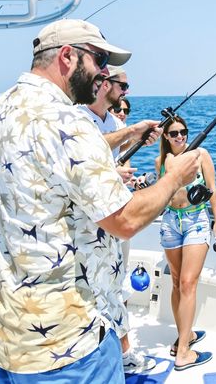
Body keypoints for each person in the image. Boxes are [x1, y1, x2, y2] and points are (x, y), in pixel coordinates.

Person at [0, 19, 203, 383]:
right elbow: (124, 221)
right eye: (98, 61)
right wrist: (174, 178)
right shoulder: (69, 123)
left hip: (3, 337)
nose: (104, 74)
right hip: (68, 343)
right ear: (67, 57)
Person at [80, 64, 157, 373]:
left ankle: (121, 356)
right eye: (122, 86)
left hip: (113, 223)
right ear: (103, 83)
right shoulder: (78, 119)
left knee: (116, 288)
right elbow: (87, 162)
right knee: (94, 295)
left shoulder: (110, 120)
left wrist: (138, 138)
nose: (126, 92)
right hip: (87, 230)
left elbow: (116, 148)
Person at [155, 115, 216, 371]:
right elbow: (162, 194)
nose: (180, 137)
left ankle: (182, 351)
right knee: (175, 281)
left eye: (183, 132)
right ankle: (187, 335)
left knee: (187, 283)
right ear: (166, 136)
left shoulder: (200, 155)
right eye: (174, 133)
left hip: (196, 221)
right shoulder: (161, 161)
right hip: (171, 222)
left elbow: (212, 188)